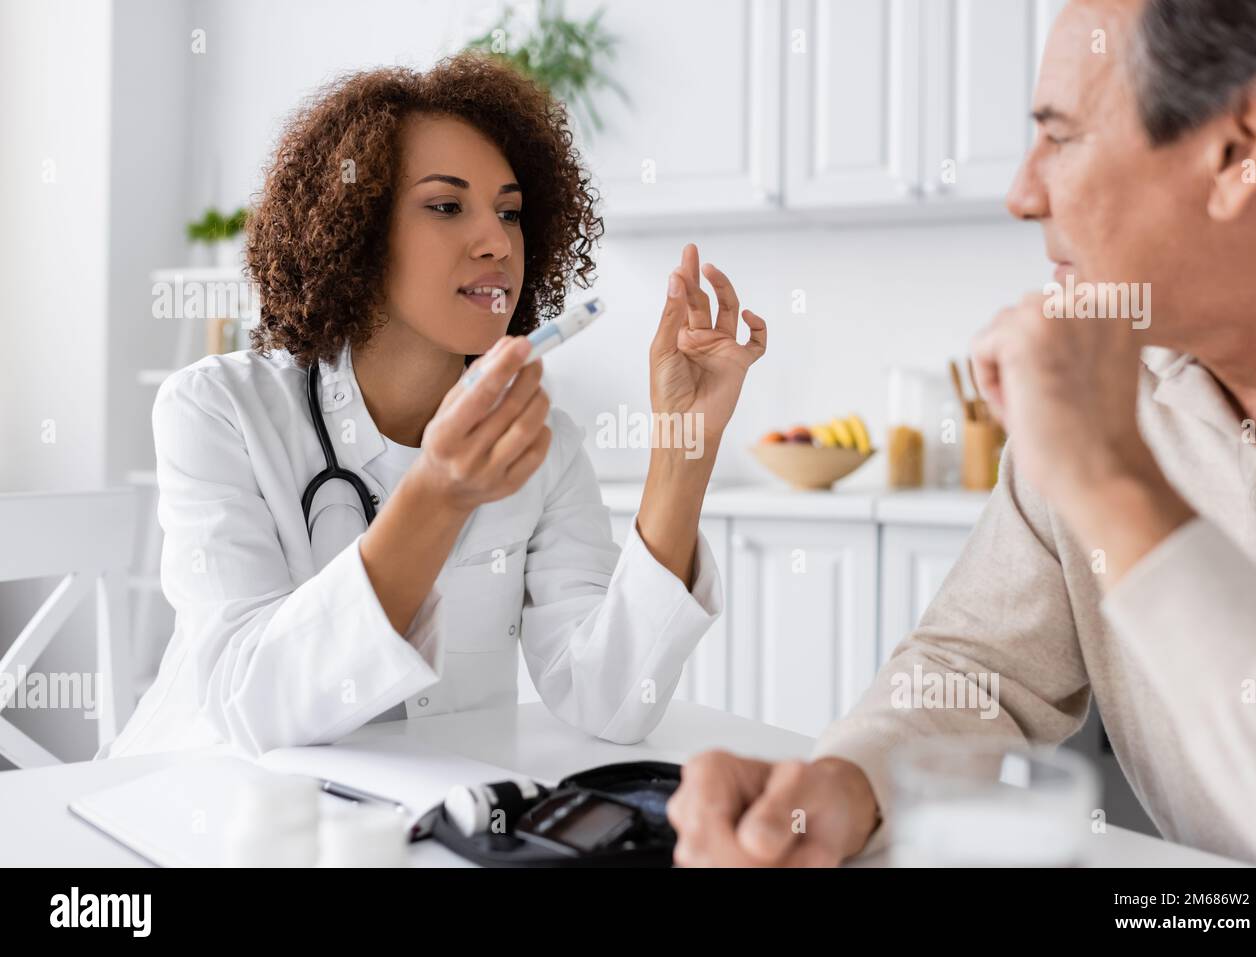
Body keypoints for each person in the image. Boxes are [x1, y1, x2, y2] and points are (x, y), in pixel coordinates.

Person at [667, 0, 1256, 867]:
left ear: (1240, 148)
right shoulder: (1116, 386)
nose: (1021, 192)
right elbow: (976, 672)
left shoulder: (1097, 429)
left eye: (1062, 135)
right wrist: (842, 788)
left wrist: (1112, 480)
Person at [100, 53, 766, 759]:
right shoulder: (218, 411)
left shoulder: (543, 447)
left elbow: (613, 699)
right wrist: (439, 495)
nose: (495, 242)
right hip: (200, 812)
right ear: (355, 230)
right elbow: (248, 704)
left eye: (509, 212)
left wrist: (686, 440)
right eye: (447, 206)